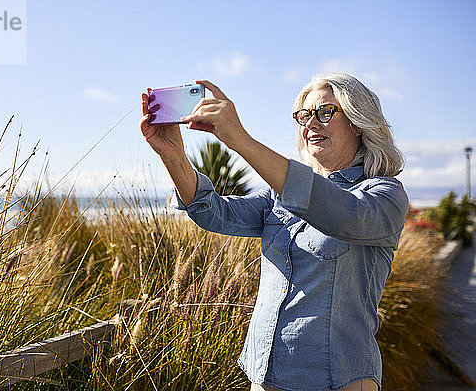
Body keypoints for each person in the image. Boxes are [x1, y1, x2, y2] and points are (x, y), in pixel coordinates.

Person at [139, 73, 408, 391]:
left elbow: (343, 216)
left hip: (337, 380)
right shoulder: (278, 196)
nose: (311, 125)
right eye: (304, 116)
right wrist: (173, 156)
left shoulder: (384, 194)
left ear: (358, 121)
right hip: (265, 375)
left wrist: (239, 139)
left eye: (325, 112)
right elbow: (214, 213)